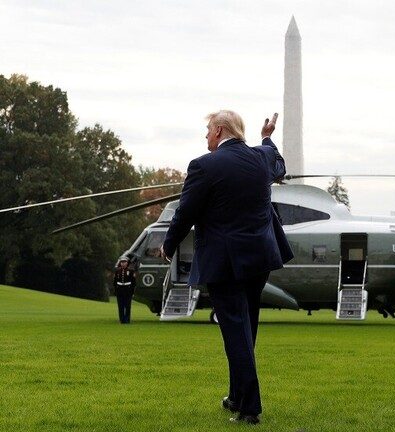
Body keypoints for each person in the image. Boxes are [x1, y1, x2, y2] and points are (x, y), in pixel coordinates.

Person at [161, 110, 293, 425]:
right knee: (246, 330)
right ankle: (236, 396)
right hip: (259, 259)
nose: (206, 135)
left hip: (225, 262)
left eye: (208, 129)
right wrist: (267, 138)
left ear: (220, 130)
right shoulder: (261, 158)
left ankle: (249, 409)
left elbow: (185, 212)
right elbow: (279, 164)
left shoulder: (204, 166)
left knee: (235, 332)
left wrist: (169, 244)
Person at [113, 257, 136, 324]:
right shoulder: (117, 271)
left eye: (124, 262)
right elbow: (115, 281)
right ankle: (122, 320)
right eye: (122, 262)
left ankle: (127, 320)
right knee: (120, 306)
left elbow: (133, 282)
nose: (123, 263)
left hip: (128, 289)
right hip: (120, 290)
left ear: (127, 263)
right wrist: (115, 290)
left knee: (127, 306)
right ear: (120, 263)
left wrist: (132, 291)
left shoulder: (131, 271)